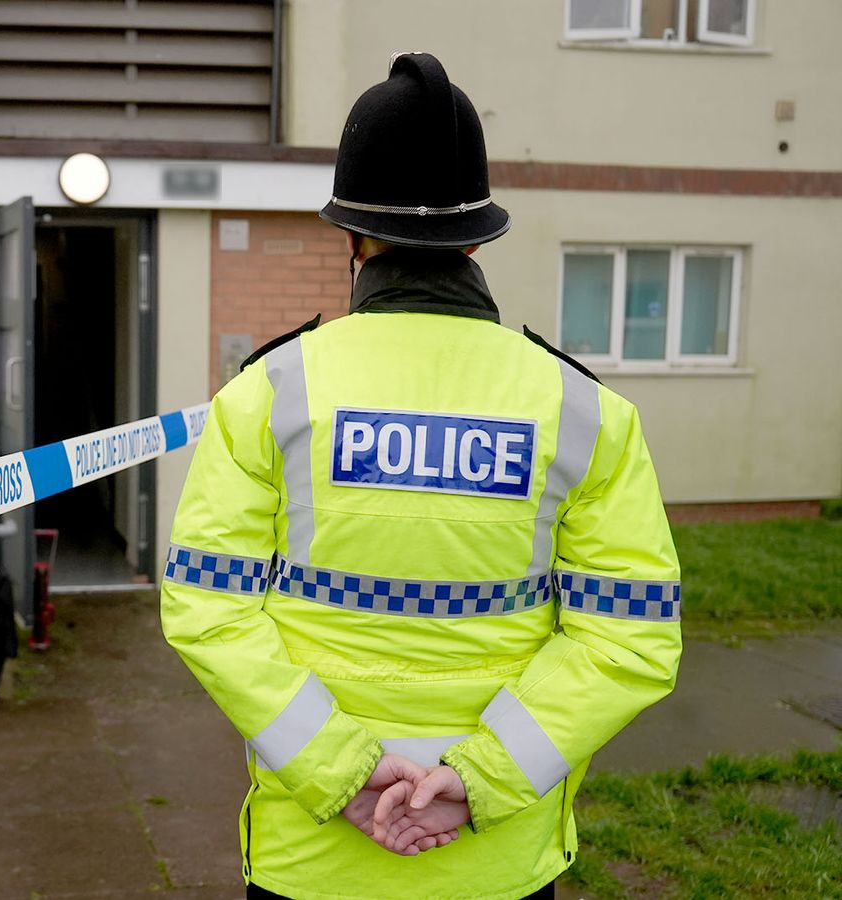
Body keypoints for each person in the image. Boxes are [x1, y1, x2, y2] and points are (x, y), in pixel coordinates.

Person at [160, 52, 682, 900]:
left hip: (316, 856)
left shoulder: (269, 394)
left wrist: (348, 772)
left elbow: (209, 608)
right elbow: (629, 636)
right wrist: (478, 782)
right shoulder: (584, 412)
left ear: (352, 235)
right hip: (496, 861)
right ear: (475, 236)